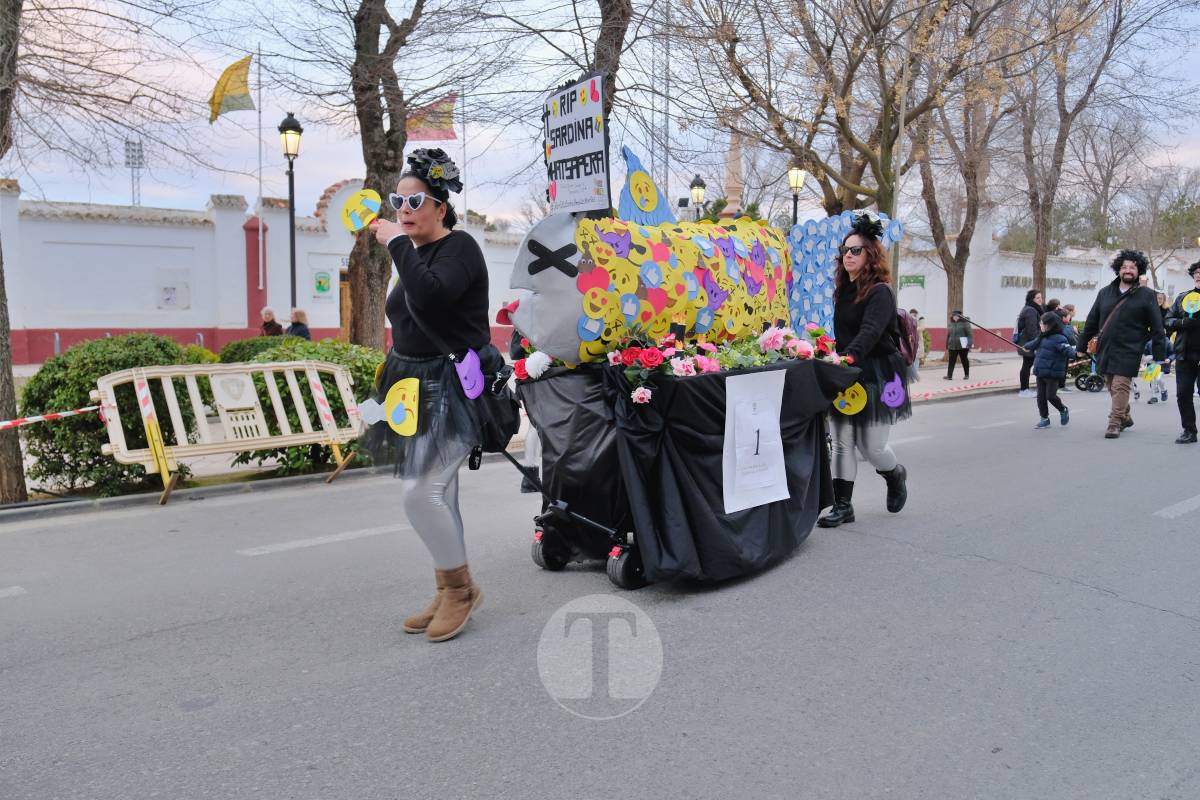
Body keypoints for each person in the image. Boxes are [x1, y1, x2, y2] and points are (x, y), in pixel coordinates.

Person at [366, 148, 495, 642]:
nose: (404, 207)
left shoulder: (460, 248)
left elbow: (432, 297)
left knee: (421, 492)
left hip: (450, 386)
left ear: (441, 207)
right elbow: (411, 308)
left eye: (415, 200)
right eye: (398, 200)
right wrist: (405, 247)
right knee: (442, 492)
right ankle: (449, 586)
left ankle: (460, 590)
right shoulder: (417, 254)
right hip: (413, 386)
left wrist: (398, 243)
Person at [818, 212, 910, 528]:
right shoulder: (843, 290)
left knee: (872, 447)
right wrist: (830, 354)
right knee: (842, 442)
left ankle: (894, 474)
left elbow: (869, 333)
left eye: (855, 250)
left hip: (879, 374)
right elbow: (845, 335)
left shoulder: (881, 291)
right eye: (845, 250)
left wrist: (846, 360)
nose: (848, 255)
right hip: (848, 371)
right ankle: (843, 506)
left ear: (870, 255)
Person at [1077, 249, 1167, 439]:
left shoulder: (1146, 295)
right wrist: (1080, 346)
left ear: (1138, 271)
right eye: (1124, 267)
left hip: (1130, 349)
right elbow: (1092, 321)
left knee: (1120, 385)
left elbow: (1157, 327)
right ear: (1118, 270)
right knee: (1111, 385)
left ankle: (1114, 422)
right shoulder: (1104, 293)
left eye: (1132, 267)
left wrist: (1159, 356)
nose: (1128, 270)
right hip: (1106, 347)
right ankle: (1125, 416)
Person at [1165, 261, 1200, 443]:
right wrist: (1182, 323)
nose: (1198, 274)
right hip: (1185, 354)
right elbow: (1167, 320)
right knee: (1183, 394)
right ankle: (1189, 430)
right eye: (1196, 272)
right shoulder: (1183, 298)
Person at [1023, 312, 1074, 429]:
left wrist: (1074, 353)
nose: (1040, 325)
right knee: (1041, 397)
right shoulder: (1042, 336)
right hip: (1040, 371)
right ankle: (1044, 419)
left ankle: (1063, 409)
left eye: (1043, 323)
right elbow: (1033, 344)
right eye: (1040, 323)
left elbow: (1069, 351)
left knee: (1051, 396)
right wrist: (1026, 346)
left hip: (1053, 372)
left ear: (1050, 325)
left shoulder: (1060, 338)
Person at [1015, 289, 1043, 398]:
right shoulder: (1030, 310)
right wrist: (1036, 344)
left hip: (1028, 342)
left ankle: (1025, 389)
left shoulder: (1031, 308)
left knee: (1027, 365)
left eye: (1041, 297)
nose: (1040, 300)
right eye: (1038, 298)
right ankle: (1024, 390)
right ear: (1032, 299)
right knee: (1027, 365)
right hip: (1028, 343)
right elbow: (1032, 330)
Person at [944, 310, 972, 380]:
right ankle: (949, 376)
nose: (955, 317)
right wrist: (947, 344)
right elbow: (948, 335)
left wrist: (969, 344)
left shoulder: (965, 323)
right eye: (954, 316)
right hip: (952, 345)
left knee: (964, 360)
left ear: (960, 316)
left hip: (963, 345)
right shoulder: (951, 323)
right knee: (951, 361)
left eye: (956, 316)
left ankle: (966, 374)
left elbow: (969, 334)